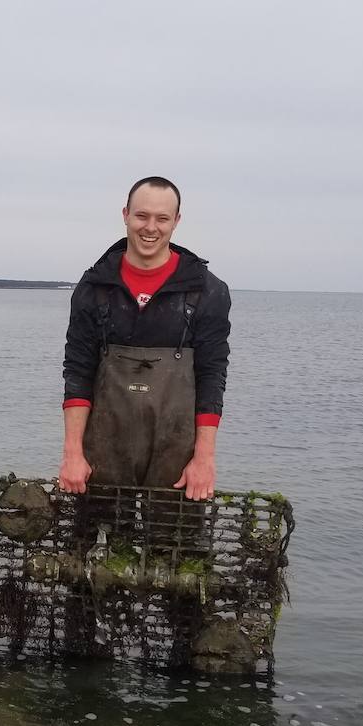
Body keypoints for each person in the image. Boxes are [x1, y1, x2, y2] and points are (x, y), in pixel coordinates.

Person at [58, 176, 230, 500]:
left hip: (177, 460)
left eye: (162, 218)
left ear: (176, 221)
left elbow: (212, 377)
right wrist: (72, 454)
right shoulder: (94, 288)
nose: (150, 227)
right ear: (125, 214)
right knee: (95, 544)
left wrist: (204, 460)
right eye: (141, 216)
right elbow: (78, 372)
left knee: (175, 549)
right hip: (102, 457)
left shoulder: (208, 291)